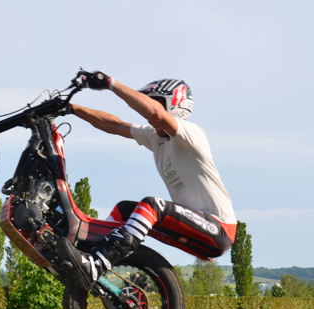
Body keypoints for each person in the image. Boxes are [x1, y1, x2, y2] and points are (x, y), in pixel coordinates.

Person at [58, 71, 237, 290]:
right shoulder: (155, 137)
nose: (148, 116)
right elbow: (114, 125)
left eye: (156, 103)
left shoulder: (192, 134)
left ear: (174, 105)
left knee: (152, 205)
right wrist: (71, 108)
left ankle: (99, 263)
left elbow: (157, 115)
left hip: (219, 230)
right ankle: (90, 255)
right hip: (188, 230)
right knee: (124, 210)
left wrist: (110, 84)